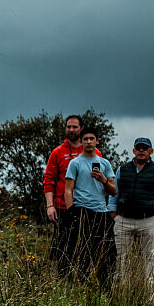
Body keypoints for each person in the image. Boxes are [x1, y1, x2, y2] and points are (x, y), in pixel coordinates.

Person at [44, 115, 101, 277]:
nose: (71, 130)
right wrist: (50, 206)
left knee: (88, 246)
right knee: (63, 248)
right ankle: (63, 282)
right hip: (64, 208)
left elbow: (99, 181)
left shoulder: (95, 152)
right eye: (68, 127)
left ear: (81, 128)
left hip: (89, 207)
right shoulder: (57, 152)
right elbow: (49, 180)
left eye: (74, 127)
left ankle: (84, 280)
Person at [113, 137, 154, 285]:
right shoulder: (122, 169)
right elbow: (115, 192)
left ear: (151, 151)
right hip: (123, 220)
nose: (141, 150)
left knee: (151, 258)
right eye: (138, 147)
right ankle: (121, 295)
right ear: (134, 150)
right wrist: (113, 213)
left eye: (145, 148)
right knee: (121, 258)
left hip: (149, 220)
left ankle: (150, 298)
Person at [63, 128, 117, 287]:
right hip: (82, 211)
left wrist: (103, 180)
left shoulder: (105, 163)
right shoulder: (75, 163)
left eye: (91, 139)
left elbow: (114, 191)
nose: (88, 142)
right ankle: (82, 288)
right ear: (81, 142)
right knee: (82, 253)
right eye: (85, 139)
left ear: (97, 141)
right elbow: (68, 189)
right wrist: (71, 211)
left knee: (105, 253)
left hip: (101, 213)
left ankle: (106, 288)